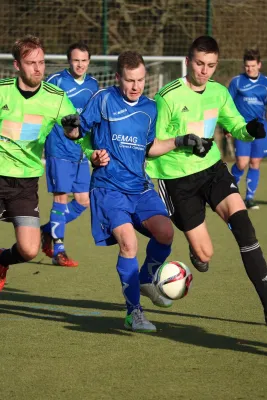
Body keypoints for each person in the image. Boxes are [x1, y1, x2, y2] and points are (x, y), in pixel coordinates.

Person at [61, 50, 212, 332]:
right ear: (118, 77)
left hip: (140, 188)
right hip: (108, 189)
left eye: (141, 80)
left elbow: (150, 148)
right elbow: (78, 132)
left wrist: (181, 141)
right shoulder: (104, 99)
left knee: (166, 233)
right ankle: (134, 313)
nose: (136, 86)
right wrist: (76, 134)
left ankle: (146, 279)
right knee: (128, 243)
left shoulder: (150, 108)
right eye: (130, 80)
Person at [146, 36, 267, 325]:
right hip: (176, 179)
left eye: (211, 65)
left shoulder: (219, 92)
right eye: (199, 64)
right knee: (205, 255)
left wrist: (250, 130)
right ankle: (196, 252)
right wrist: (183, 142)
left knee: (244, 228)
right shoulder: (168, 96)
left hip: (212, 169)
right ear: (188, 62)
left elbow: (235, 125)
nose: (205, 71)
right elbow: (150, 146)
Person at [0, 35, 79, 291]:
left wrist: (71, 129)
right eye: (31, 63)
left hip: (24, 183)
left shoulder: (56, 98)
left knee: (29, 250)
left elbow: (74, 131)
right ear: (17, 66)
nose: (38, 68)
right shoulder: (2, 92)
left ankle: (2, 261)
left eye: (42, 62)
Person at [40, 42, 99, 267]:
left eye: (84, 60)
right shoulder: (56, 81)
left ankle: (47, 231)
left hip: (81, 151)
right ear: (69, 61)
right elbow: (43, 108)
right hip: (59, 149)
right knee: (61, 199)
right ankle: (59, 252)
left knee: (83, 201)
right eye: (76, 60)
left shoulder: (93, 85)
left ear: (89, 61)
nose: (80, 64)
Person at [227, 48, 267, 210]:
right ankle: (229, 189)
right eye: (247, 66)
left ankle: (249, 198)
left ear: (259, 65)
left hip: (261, 127)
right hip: (241, 126)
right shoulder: (237, 81)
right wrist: (227, 126)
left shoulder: (265, 83)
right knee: (242, 163)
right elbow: (227, 105)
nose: (249, 69)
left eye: (252, 65)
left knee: (255, 162)